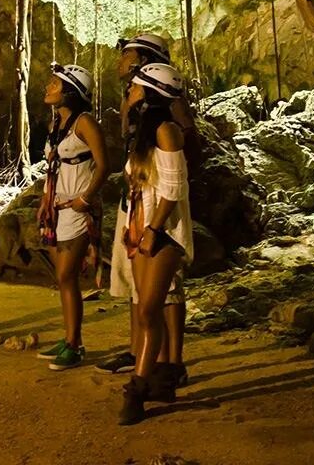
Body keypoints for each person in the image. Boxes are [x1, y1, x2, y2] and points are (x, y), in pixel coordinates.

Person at [97, 34, 197, 388]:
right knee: (138, 289)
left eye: (127, 57)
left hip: (160, 205)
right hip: (139, 198)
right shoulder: (136, 103)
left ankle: (172, 362)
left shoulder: (168, 107)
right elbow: (128, 137)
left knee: (166, 291)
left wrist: (157, 221)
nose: (120, 63)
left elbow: (183, 145)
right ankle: (140, 349)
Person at [117, 62, 193, 425]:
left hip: (161, 233)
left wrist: (154, 229)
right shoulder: (144, 133)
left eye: (134, 87)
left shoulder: (167, 132)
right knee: (144, 307)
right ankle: (155, 380)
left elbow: (174, 189)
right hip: (140, 226)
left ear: (148, 92)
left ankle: (138, 388)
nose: (128, 92)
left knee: (148, 309)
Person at [35, 63, 108, 371]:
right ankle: (69, 340)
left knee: (67, 276)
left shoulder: (85, 123)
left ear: (70, 92)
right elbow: (55, 167)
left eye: (55, 84)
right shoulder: (57, 125)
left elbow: (105, 165)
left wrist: (85, 199)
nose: (48, 88)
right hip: (58, 208)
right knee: (63, 279)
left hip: (78, 210)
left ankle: (75, 345)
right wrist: (45, 200)